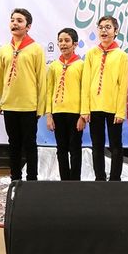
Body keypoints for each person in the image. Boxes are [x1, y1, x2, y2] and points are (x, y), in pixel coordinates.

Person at [0, 8, 46, 182]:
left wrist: (40, 107)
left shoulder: (36, 49)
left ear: (28, 26)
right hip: (9, 105)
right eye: (12, 20)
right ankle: (15, 178)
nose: (15, 23)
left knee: (30, 144)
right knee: (13, 144)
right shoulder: (4, 50)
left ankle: (32, 180)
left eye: (19, 20)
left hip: (29, 106)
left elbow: (41, 80)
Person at [80, 15, 128, 181]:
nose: (104, 31)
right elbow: (86, 82)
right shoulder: (91, 53)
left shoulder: (121, 55)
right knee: (97, 145)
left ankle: (115, 179)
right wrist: (85, 109)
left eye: (108, 27)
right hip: (94, 107)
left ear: (116, 31)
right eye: (101, 27)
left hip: (113, 108)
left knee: (115, 145)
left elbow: (123, 86)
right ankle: (99, 178)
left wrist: (120, 111)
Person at [46, 28, 85, 181]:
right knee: (61, 148)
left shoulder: (81, 65)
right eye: (60, 41)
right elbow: (49, 91)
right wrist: (49, 115)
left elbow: (85, 91)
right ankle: (64, 181)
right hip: (58, 113)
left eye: (67, 41)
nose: (63, 44)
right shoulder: (54, 66)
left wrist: (83, 115)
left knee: (75, 148)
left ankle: (75, 181)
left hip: (75, 113)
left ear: (75, 44)